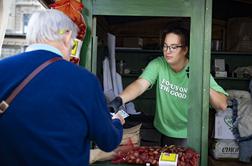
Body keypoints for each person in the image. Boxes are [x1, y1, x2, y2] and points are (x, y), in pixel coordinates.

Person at [0, 9, 124, 166]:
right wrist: (117, 122)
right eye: (73, 40)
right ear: (66, 36)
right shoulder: (84, 80)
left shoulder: (2, 69)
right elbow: (108, 140)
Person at [109, 26, 228, 147]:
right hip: (163, 131)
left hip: (188, 134)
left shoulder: (197, 68)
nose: (168, 51)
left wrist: (200, 79)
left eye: (174, 47)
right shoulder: (158, 64)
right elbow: (140, 84)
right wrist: (120, 99)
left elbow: (222, 105)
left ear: (185, 50)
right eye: (165, 46)